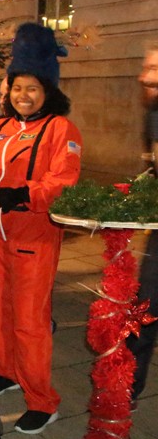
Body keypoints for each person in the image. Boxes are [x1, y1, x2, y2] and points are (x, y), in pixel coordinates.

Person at [0, 23, 82, 434]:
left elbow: (64, 182)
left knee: (29, 322)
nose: (23, 95)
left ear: (48, 91)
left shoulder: (60, 130)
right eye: (18, 87)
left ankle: (42, 399)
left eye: (32, 88)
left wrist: (25, 195)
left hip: (33, 239)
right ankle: (8, 370)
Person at [127, 41, 158, 409]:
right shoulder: (153, 111)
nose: (144, 76)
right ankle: (127, 388)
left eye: (153, 70)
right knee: (145, 308)